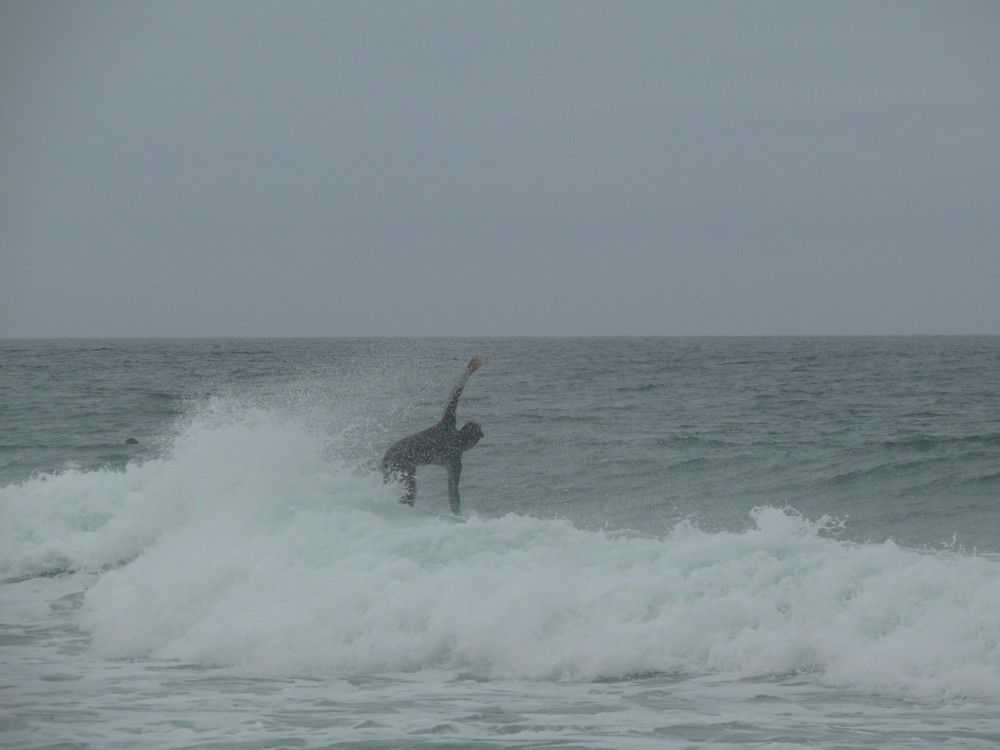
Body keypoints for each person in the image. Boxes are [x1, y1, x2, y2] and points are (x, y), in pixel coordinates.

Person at [381, 355, 484, 514]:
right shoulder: (455, 459)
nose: (471, 448)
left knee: (395, 496)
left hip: (392, 452)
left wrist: (468, 372)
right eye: (474, 444)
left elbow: (454, 395)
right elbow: (453, 493)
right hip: (401, 458)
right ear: (471, 441)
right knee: (408, 498)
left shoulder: (447, 425)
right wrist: (459, 519)